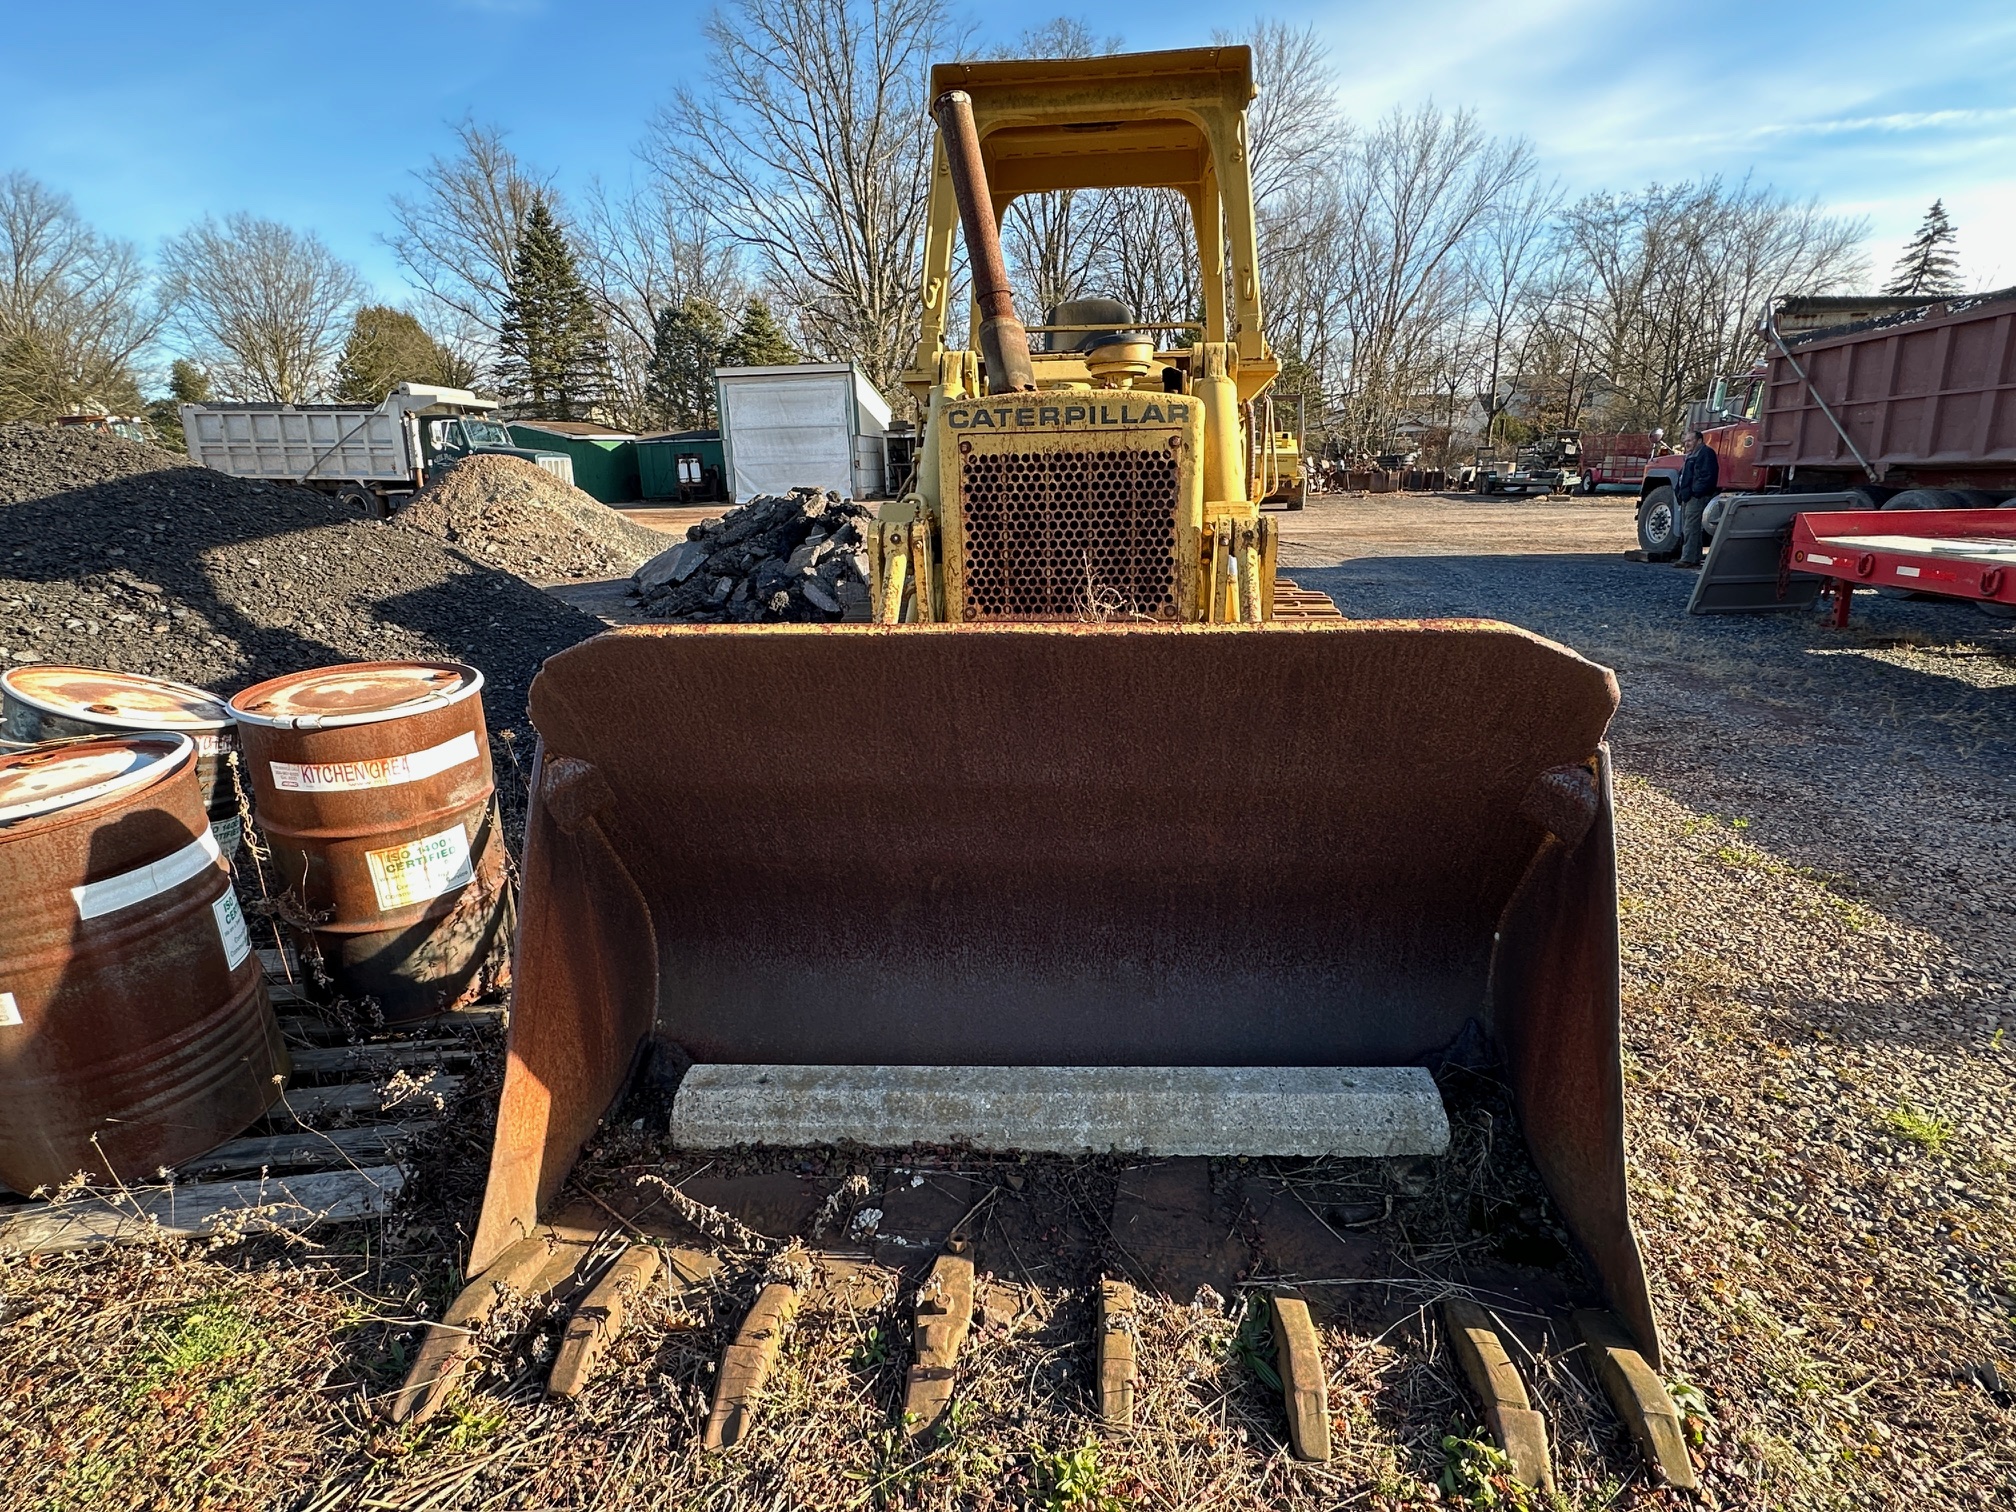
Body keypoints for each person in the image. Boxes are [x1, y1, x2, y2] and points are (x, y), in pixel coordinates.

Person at [1675, 430, 1719, 568]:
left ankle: (1688, 559)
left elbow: (1707, 476)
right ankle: (1694, 557)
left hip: (1696, 497)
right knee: (1688, 527)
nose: (1686, 443)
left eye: (1689, 440)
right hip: (1688, 496)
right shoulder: (1691, 455)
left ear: (1699, 440)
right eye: (1685, 441)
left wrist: (1695, 492)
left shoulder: (1705, 453)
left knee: (1691, 528)